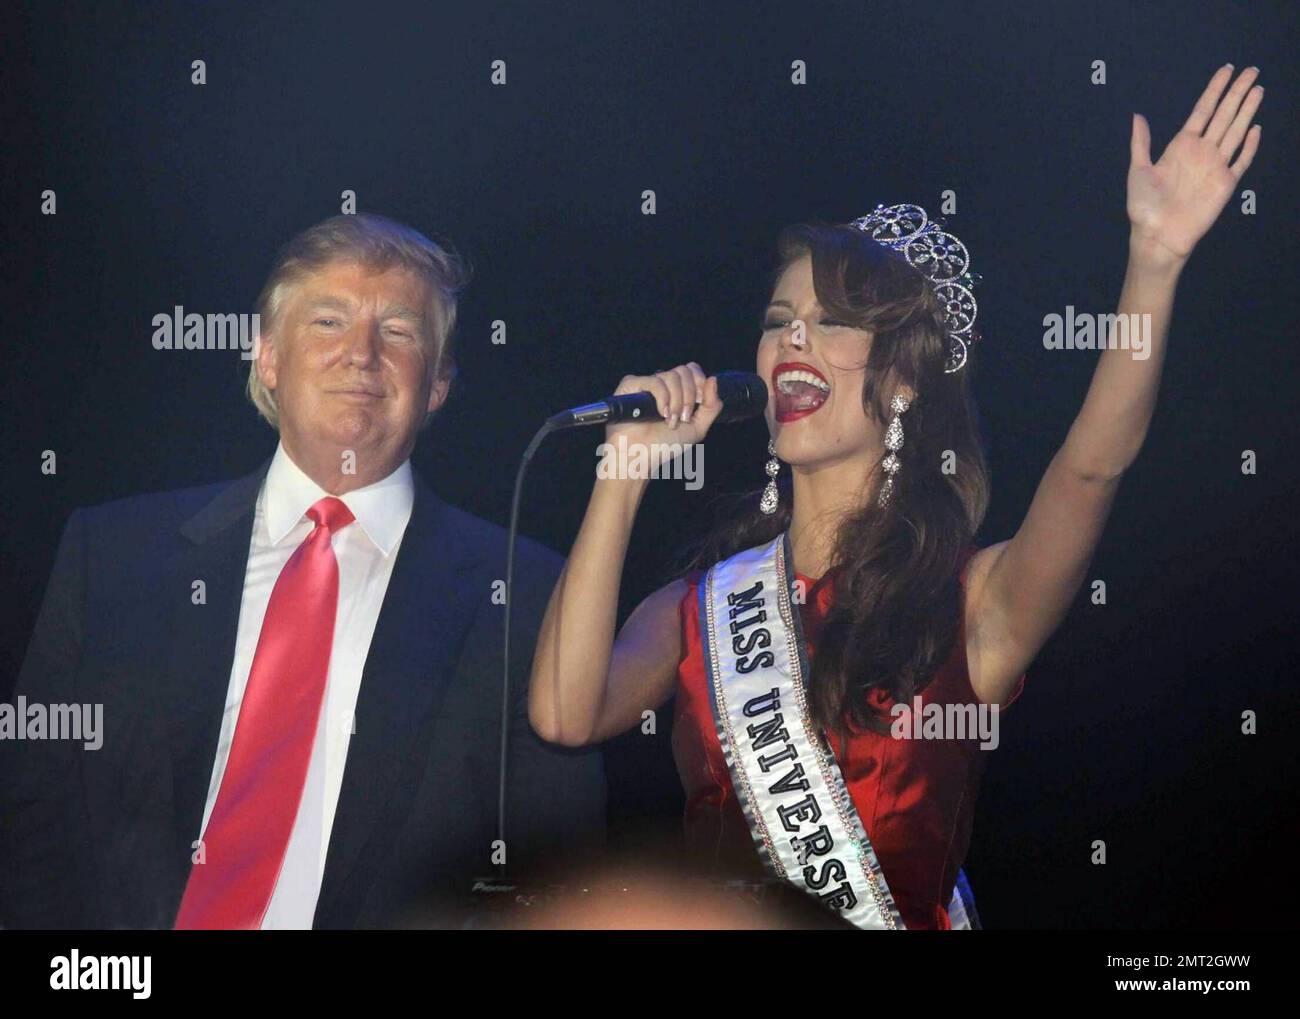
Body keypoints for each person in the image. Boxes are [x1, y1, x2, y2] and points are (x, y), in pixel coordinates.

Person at [529, 66, 1262, 929]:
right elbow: (564, 713)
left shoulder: (972, 604)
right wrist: (624, 469)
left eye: (832, 321)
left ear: (906, 377)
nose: (792, 338)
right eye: (776, 319)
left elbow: (1091, 467)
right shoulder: (696, 609)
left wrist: (1156, 262)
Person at [0, 213, 605, 930]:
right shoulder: (111, 554)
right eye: (327, 320)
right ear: (268, 359)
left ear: (438, 383)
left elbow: (560, 875)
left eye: (400, 331)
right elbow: (31, 821)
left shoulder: (528, 596)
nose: (362, 353)